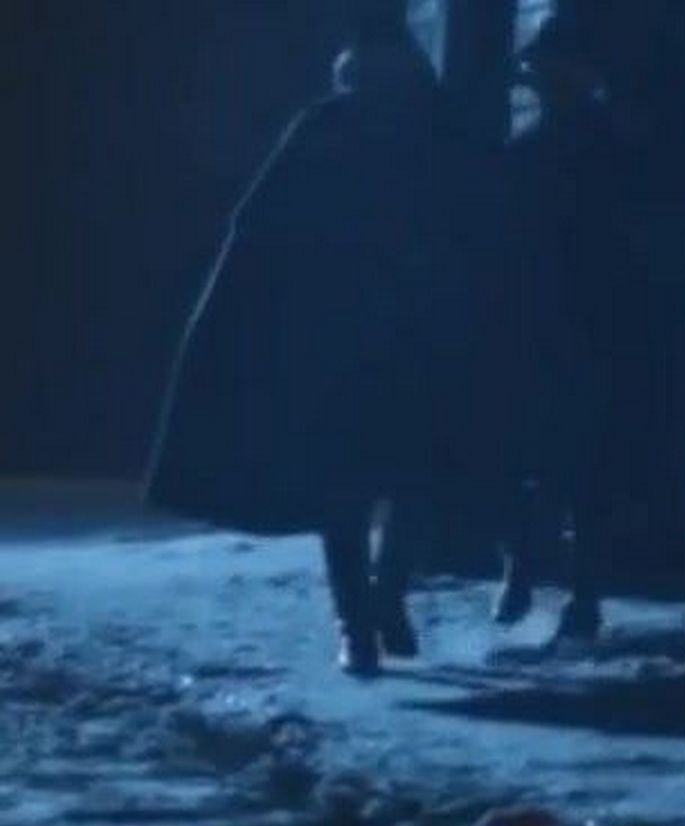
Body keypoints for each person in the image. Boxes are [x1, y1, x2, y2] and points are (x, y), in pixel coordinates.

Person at [146, 14, 480, 677]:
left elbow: (261, 228)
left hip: (378, 337)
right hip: (377, 336)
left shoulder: (369, 127)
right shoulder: (403, 128)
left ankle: (369, 615)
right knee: (384, 480)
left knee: (372, 485)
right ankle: (370, 613)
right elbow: (265, 227)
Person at [486, 12, 650, 645]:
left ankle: (554, 584)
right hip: (567, 324)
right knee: (562, 464)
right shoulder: (600, 151)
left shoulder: (550, 154)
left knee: (560, 464)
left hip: (568, 324)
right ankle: (550, 581)